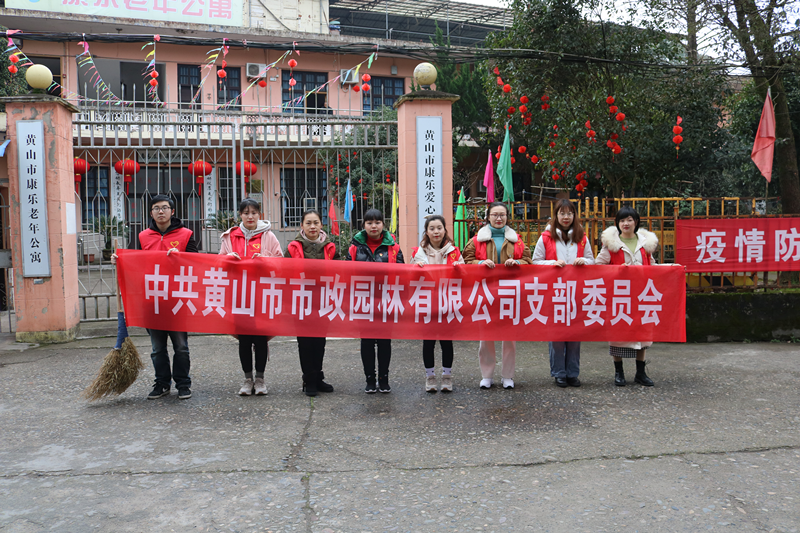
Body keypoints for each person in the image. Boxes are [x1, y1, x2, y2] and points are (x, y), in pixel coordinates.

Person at [111, 194, 198, 400]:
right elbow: (134, 261)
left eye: (165, 208)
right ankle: (162, 384)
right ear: (151, 213)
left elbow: (197, 263)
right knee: (157, 348)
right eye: (156, 208)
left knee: (181, 347)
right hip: (153, 299)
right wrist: (119, 260)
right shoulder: (143, 236)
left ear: (172, 211)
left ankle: (183, 384)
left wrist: (182, 257)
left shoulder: (186, 234)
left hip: (177, 300)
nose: (161, 211)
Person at [463, 201, 532, 390]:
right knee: (486, 336)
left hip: (510, 293)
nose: (499, 218)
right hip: (485, 292)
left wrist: (518, 263)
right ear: (488, 217)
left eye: (502, 214)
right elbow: (466, 260)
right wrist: (480, 263)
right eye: (495, 215)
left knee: (509, 337)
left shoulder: (516, 240)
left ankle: (508, 376)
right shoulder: (477, 240)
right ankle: (487, 375)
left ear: (507, 217)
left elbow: (528, 260)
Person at [219, 198, 283, 396]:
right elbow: (219, 263)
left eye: (254, 212)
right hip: (238, 295)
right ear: (240, 215)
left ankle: (260, 379)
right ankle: (248, 379)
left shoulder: (268, 236)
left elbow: (281, 262)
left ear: (259, 215)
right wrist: (228, 259)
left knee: (261, 338)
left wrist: (266, 260)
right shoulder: (230, 237)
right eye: (246, 213)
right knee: (244, 339)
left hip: (262, 295)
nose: (250, 216)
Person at [532, 199, 595, 388]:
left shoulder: (582, 237)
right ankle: (559, 373)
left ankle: (573, 373)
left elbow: (592, 260)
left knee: (575, 334)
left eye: (569, 213)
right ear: (556, 215)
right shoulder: (545, 237)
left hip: (577, 292)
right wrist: (552, 263)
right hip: (554, 292)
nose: (566, 217)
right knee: (557, 335)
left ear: (574, 215)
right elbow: (535, 261)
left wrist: (584, 261)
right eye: (562, 213)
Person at [595, 205, 658, 387]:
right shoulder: (611, 244)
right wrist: (616, 270)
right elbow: (598, 266)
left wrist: (672, 268)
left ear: (636, 222)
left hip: (642, 294)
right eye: (622, 220)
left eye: (629, 220)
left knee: (643, 332)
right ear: (617, 223)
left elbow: (653, 266)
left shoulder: (646, 243)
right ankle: (619, 372)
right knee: (618, 332)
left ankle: (640, 373)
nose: (626, 223)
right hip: (619, 295)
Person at [346, 208, 405, 393]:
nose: (374, 226)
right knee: (367, 341)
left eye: (377, 222)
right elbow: (346, 272)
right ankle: (370, 379)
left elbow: (402, 273)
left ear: (383, 225)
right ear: (363, 225)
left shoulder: (394, 247)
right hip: (363, 299)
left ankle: (384, 379)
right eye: (369, 222)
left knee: (384, 341)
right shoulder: (355, 247)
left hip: (386, 299)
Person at [285, 209, 340, 396]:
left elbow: (341, 270)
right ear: (302, 225)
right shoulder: (293, 248)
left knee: (319, 341)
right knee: (305, 341)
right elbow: (284, 272)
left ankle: (318, 377)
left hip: (323, 299)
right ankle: (308, 379)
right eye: (308, 223)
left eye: (316, 222)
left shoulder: (330, 248)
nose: (312, 226)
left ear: (321, 225)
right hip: (300, 300)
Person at [410, 215, 464, 393]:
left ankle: (447, 377)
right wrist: (415, 267)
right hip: (427, 302)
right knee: (428, 342)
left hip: (448, 302)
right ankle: (430, 377)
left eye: (439, 228)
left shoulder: (454, 252)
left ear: (444, 230)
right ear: (426, 232)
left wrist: (459, 268)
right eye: (432, 228)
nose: (436, 232)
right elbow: (409, 276)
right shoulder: (418, 253)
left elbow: (465, 275)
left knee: (447, 342)